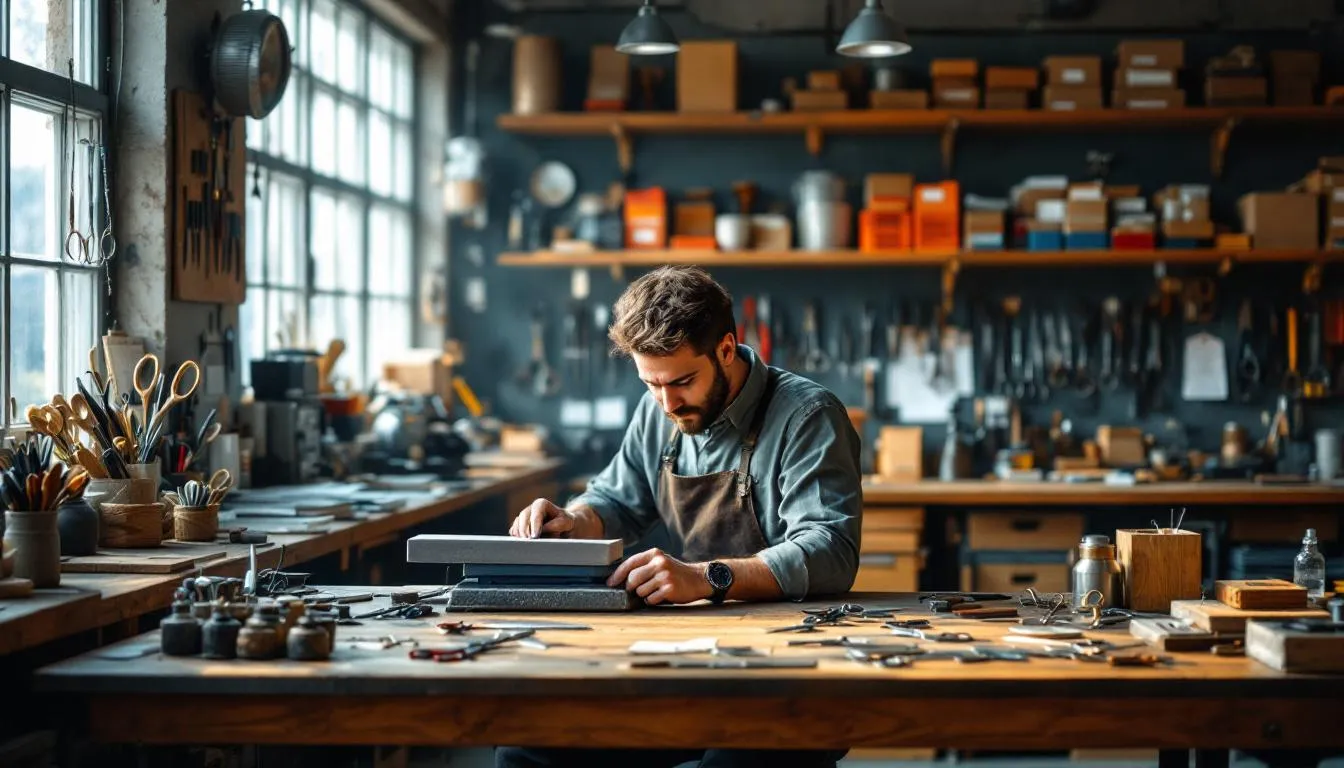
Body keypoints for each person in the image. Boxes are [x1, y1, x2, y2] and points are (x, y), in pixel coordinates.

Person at [497, 266, 862, 768]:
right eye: (652, 385)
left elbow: (828, 549)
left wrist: (706, 578)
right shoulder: (660, 409)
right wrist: (572, 519)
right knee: (526, 751)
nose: (668, 403)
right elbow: (617, 499)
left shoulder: (807, 415)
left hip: (787, 662)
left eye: (683, 382)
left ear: (727, 350)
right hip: (693, 652)